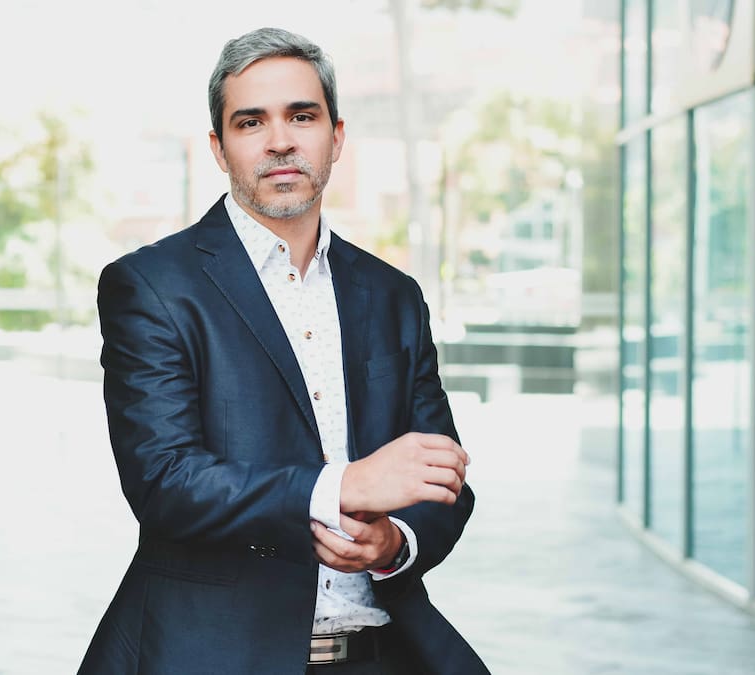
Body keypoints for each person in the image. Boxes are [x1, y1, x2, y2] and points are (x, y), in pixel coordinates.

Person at [77, 26, 487, 675]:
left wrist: (392, 542)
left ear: (337, 136)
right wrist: (343, 485)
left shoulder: (393, 295)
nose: (280, 141)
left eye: (302, 115)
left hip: (380, 653)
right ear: (219, 148)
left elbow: (441, 480)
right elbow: (165, 480)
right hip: (216, 657)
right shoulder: (152, 286)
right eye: (250, 122)